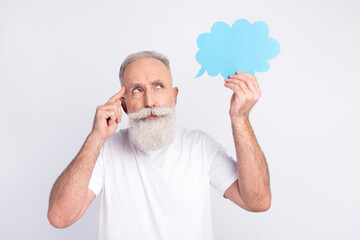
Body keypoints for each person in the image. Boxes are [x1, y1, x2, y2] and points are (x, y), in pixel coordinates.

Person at [47, 51, 271, 240]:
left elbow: (258, 201)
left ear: (174, 96)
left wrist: (240, 118)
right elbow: (60, 217)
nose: (150, 102)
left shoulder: (200, 146)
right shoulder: (106, 149)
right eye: (137, 90)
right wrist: (95, 138)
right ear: (123, 105)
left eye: (158, 86)